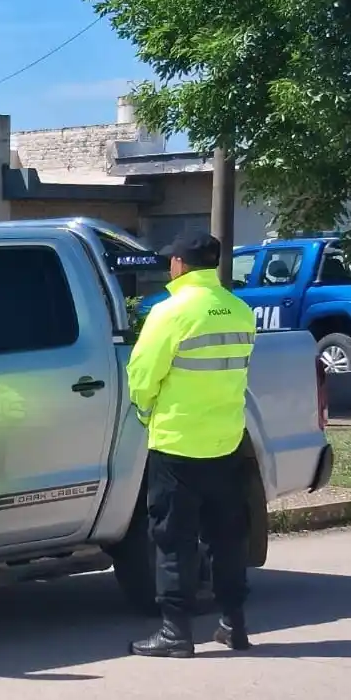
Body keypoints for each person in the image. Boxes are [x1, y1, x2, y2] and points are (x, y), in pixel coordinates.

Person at [126, 230, 257, 658]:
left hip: (178, 445)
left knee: (173, 540)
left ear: (180, 264)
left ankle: (175, 632)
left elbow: (142, 376)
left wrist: (146, 413)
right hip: (227, 441)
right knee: (228, 538)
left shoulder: (169, 313)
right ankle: (233, 624)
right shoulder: (240, 311)